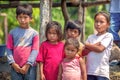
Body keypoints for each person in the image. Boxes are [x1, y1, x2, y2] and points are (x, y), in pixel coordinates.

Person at [6, 4, 39, 80]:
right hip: (15, 67)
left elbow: (35, 50)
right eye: (20, 17)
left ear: (31, 18)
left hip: (30, 68)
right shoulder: (12, 33)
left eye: (25, 17)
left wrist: (27, 64)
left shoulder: (34, 34)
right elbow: (8, 49)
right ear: (16, 18)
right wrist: (13, 64)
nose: (22, 20)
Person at [83, 11, 113, 80]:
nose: (98, 24)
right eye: (96, 21)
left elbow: (100, 49)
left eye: (101, 22)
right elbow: (84, 51)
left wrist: (87, 44)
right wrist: (95, 45)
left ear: (108, 24)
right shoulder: (90, 37)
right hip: (89, 72)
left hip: (101, 73)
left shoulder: (108, 35)